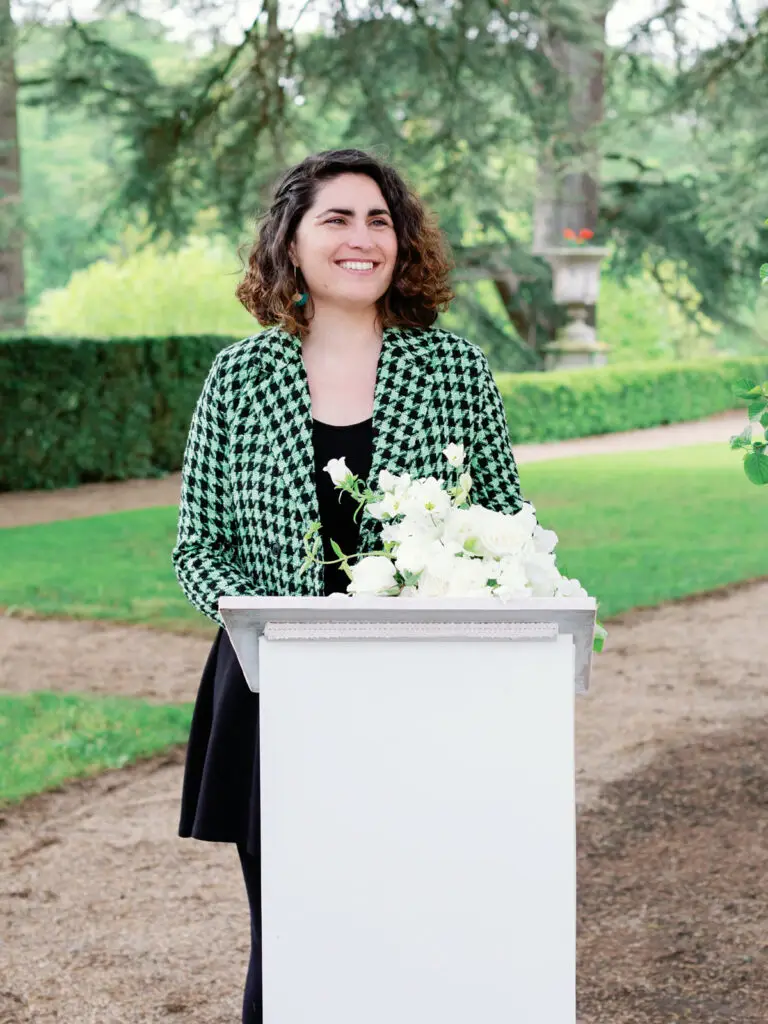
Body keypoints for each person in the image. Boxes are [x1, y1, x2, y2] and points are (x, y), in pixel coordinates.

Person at [172, 147, 525, 1024]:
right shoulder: (240, 378)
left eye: (380, 221)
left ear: (401, 243)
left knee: (413, 916)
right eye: (336, 219)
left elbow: (505, 524)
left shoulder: (453, 369)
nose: (362, 239)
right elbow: (196, 545)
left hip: (419, 687)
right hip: (272, 687)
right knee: (293, 929)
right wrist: (264, 624)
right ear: (291, 243)